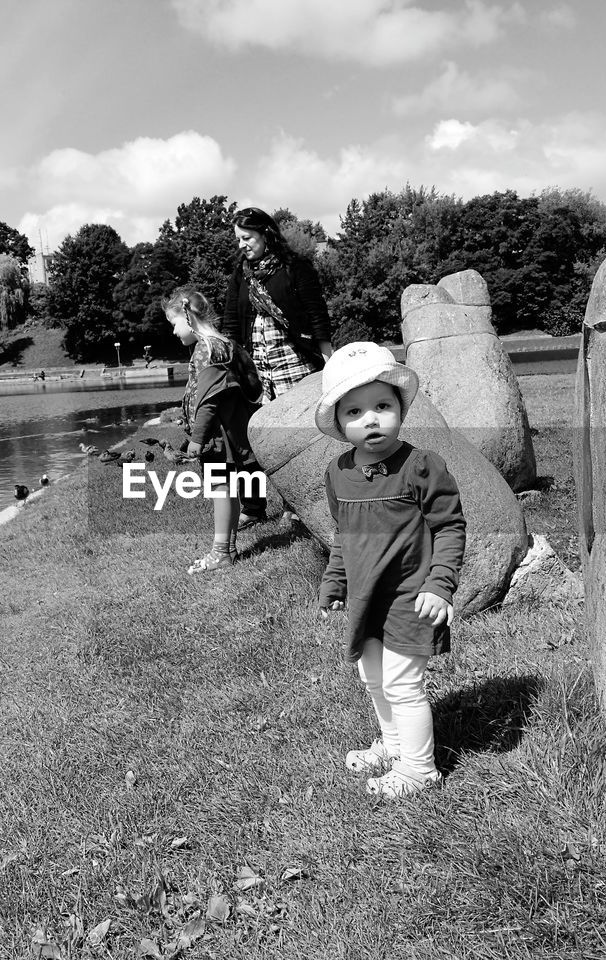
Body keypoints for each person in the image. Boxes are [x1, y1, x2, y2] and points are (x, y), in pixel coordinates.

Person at [315, 343, 466, 799]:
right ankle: (394, 746)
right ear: (340, 424)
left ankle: (419, 770)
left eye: (383, 406)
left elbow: (450, 526)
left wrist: (440, 585)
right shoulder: (338, 472)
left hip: (409, 595)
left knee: (403, 684)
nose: (372, 418)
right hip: (366, 595)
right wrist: (335, 580)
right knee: (374, 678)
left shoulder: (420, 466)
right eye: (356, 411)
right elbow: (343, 533)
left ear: (399, 409)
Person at [225, 205, 334, 527]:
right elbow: (232, 319)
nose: (242, 244)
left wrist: (327, 353)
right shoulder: (240, 273)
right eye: (238, 239)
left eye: (247, 237)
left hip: (293, 362)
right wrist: (232, 360)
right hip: (256, 367)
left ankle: (296, 502)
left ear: (265, 234)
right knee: (256, 437)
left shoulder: (294, 267)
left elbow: (316, 311)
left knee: (296, 434)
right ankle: (253, 508)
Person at [165, 286, 263, 575]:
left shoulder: (206, 350)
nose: (173, 332)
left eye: (173, 324)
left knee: (221, 489)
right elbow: (252, 384)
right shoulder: (226, 344)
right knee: (230, 490)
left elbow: (209, 400)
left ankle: (220, 552)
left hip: (217, 439)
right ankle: (229, 549)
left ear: (187, 316)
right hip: (232, 434)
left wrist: (197, 439)